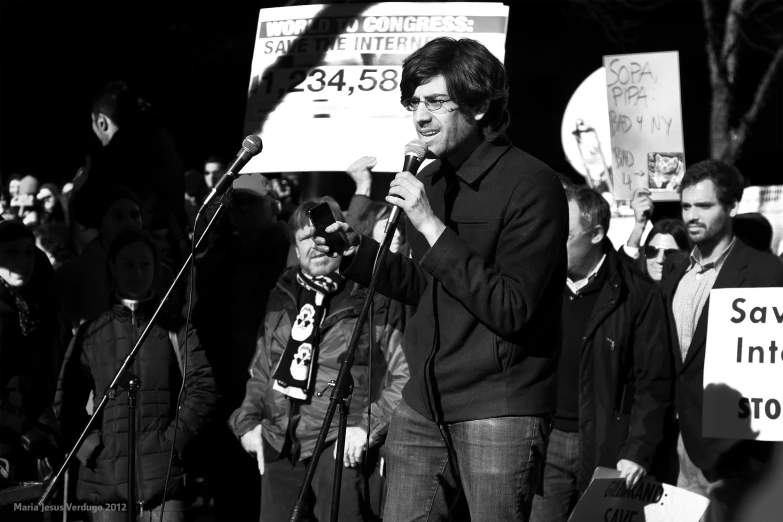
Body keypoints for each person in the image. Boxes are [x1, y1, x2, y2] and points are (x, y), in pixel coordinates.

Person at [312, 37, 568, 521]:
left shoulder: (531, 184)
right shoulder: (428, 181)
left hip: (499, 407)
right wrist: (358, 255)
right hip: (421, 404)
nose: (420, 117)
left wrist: (431, 226)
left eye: (435, 102)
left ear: (478, 104)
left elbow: (512, 307)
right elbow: (424, 290)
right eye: (414, 103)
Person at [229, 198, 409, 522]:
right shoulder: (281, 293)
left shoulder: (372, 293)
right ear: (295, 250)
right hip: (279, 443)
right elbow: (262, 369)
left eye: (323, 236)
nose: (316, 246)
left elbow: (405, 374)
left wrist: (368, 427)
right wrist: (247, 423)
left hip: (339, 445)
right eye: (305, 239)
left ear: (340, 237)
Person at [530, 186, 674, 521]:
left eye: (563, 234)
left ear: (596, 234)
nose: (549, 242)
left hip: (607, 447)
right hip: (543, 445)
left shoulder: (635, 293)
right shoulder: (535, 285)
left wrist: (638, 451)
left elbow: (653, 382)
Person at [54, 231, 218, 521]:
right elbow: (65, 403)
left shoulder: (176, 329)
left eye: (145, 265)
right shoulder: (91, 332)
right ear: (113, 268)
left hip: (164, 482)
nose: (138, 272)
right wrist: (91, 448)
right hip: (103, 484)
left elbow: (202, 388)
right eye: (129, 265)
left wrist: (174, 441)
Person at [661, 160, 783, 522]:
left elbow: (768, 368)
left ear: (731, 206)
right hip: (675, 444)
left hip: (731, 455)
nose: (691, 216)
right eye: (686, 206)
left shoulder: (767, 273)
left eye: (704, 206)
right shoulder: (675, 270)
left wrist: (738, 454)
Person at [191, 174, 289, 521]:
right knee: (229, 489)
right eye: (238, 204)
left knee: (269, 490)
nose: (243, 210)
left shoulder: (288, 250)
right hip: (225, 387)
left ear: (271, 207)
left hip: (273, 388)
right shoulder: (220, 254)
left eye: (252, 202)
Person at [74, 80, 189, 272]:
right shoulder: (164, 144)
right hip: (173, 252)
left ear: (101, 122)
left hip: (135, 261)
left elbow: (84, 210)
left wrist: (80, 186)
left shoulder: (113, 157)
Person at [0, 221, 60, 493]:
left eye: (28, 252)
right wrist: (22, 428)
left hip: (32, 443)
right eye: (11, 252)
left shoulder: (36, 307)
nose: (23, 261)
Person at [621, 188, 690, 281]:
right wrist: (639, 225)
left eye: (670, 254)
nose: (660, 260)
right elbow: (620, 271)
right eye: (651, 251)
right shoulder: (637, 291)